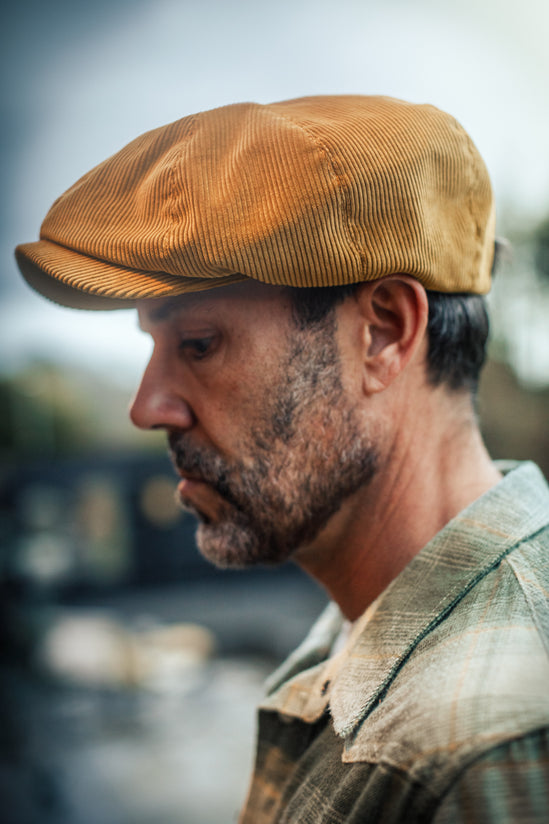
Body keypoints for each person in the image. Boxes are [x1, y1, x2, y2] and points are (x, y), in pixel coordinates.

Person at [16, 95, 549, 822]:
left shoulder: (490, 742)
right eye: (154, 347)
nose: (147, 408)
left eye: (198, 343)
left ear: (384, 332)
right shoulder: (384, 631)